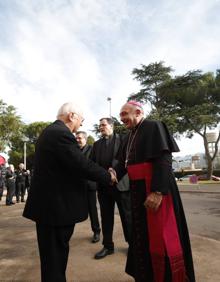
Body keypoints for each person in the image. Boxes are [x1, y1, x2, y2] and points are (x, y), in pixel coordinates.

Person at [23, 102, 117, 282]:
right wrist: (108, 176)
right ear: (72, 115)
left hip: (50, 208)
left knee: (53, 259)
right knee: (54, 261)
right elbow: (81, 164)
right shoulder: (61, 134)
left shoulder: (51, 132)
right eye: (81, 120)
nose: (81, 125)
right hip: (55, 210)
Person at [113, 101, 195, 282]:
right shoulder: (128, 137)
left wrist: (158, 191)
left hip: (155, 190)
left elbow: (164, 159)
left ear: (139, 112)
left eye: (125, 113)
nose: (122, 118)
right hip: (137, 192)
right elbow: (121, 165)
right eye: (121, 115)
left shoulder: (153, 126)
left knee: (162, 238)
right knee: (142, 236)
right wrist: (111, 174)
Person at [91, 117, 132, 259]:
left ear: (111, 126)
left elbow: (126, 160)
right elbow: (92, 164)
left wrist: (113, 173)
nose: (101, 127)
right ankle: (108, 246)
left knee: (127, 217)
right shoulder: (96, 145)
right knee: (106, 217)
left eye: (103, 125)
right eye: (99, 125)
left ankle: (132, 245)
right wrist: (102, 177)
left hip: (121, 185)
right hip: (104, 187)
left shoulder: (123, 140)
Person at [75, 131, 101, 243]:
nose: (77, 140)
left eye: (79, 138)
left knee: (92, 210)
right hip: (76, 185)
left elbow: (94, 166)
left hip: (89, 185)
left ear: (85, 139)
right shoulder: (74, 150)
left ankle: (96, 231)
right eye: (76, 138)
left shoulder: (92, 149)